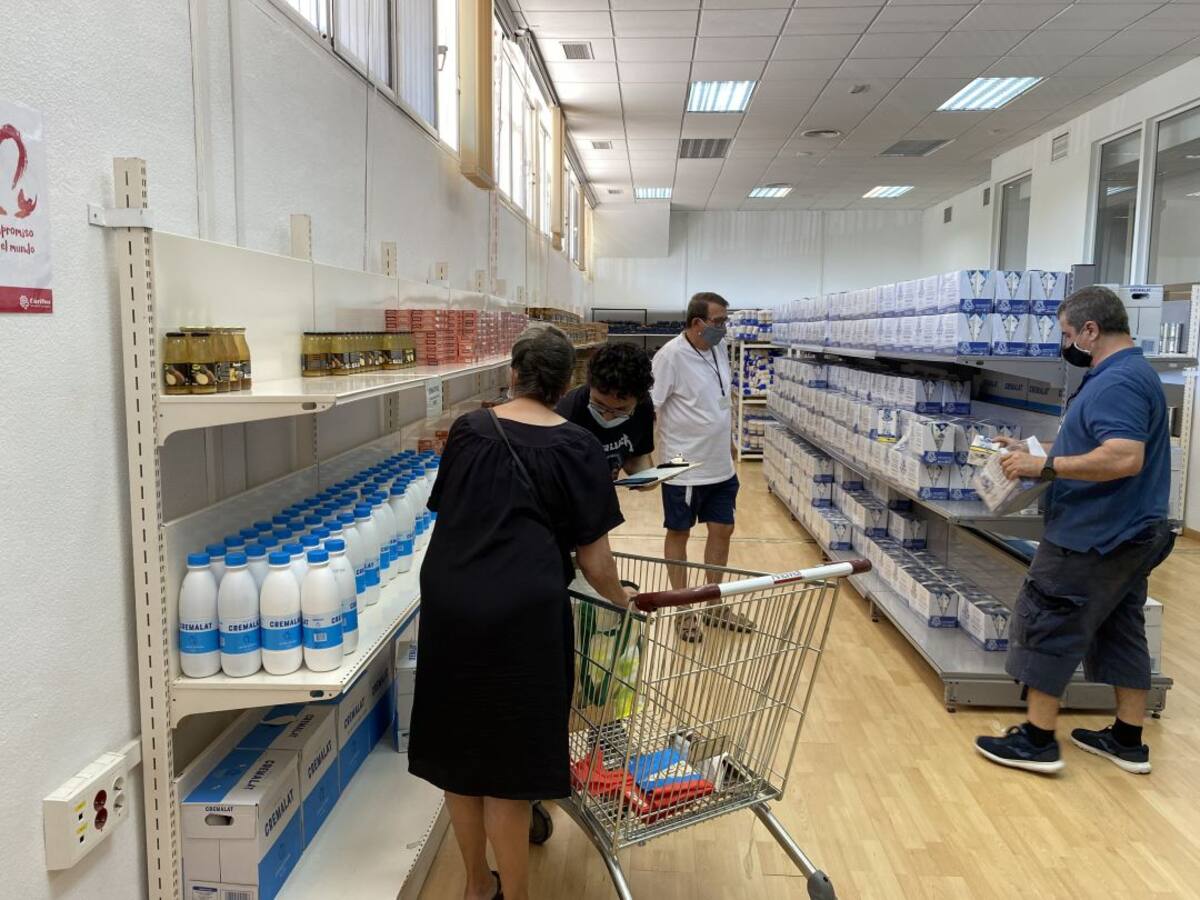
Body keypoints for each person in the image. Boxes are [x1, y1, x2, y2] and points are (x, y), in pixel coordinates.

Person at [408, 325, 633, 900]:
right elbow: (596, 560)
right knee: (507, 769)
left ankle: (476, 885)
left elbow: (448, 511)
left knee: (460, 752)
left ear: (513, 373)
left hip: (452, 601)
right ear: (565, 383)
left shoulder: (469, 430)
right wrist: (624, 602)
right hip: (522, 614)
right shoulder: (578, 447)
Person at [975, 285, 1174, 776]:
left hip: (1094, 534)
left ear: (1090, 330)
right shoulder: (1128, 373)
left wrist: (1045, 468)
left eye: (1067, 334)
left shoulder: (1118, 381)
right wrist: (1030, 450)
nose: (1065, 344)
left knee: (1048, 618)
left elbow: (1124, 457)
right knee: (1120, 628)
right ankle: (1127, 739)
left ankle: (1038, 739)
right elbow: (1091, 441)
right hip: (1130, 533)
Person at [650, 291, 751, 642]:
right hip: (684, 467)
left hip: (720, 464)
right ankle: (683, 609)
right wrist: (648, 462)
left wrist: (731, 439)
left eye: (725, 321)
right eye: (718, 322)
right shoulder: (670, 356)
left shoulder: (718, 349)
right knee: (679, 533)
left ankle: (713, 604)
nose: (724, 328)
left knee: (723, 529)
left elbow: (719, 400)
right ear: (697, 323)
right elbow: (651, 407)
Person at [556, 342, 656, 481]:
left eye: (620, 410)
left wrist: (647, 478)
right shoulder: (567, 412)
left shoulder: (643, 407)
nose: (607, 417)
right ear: (590, 385)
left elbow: (636, 457)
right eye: (599, 405)